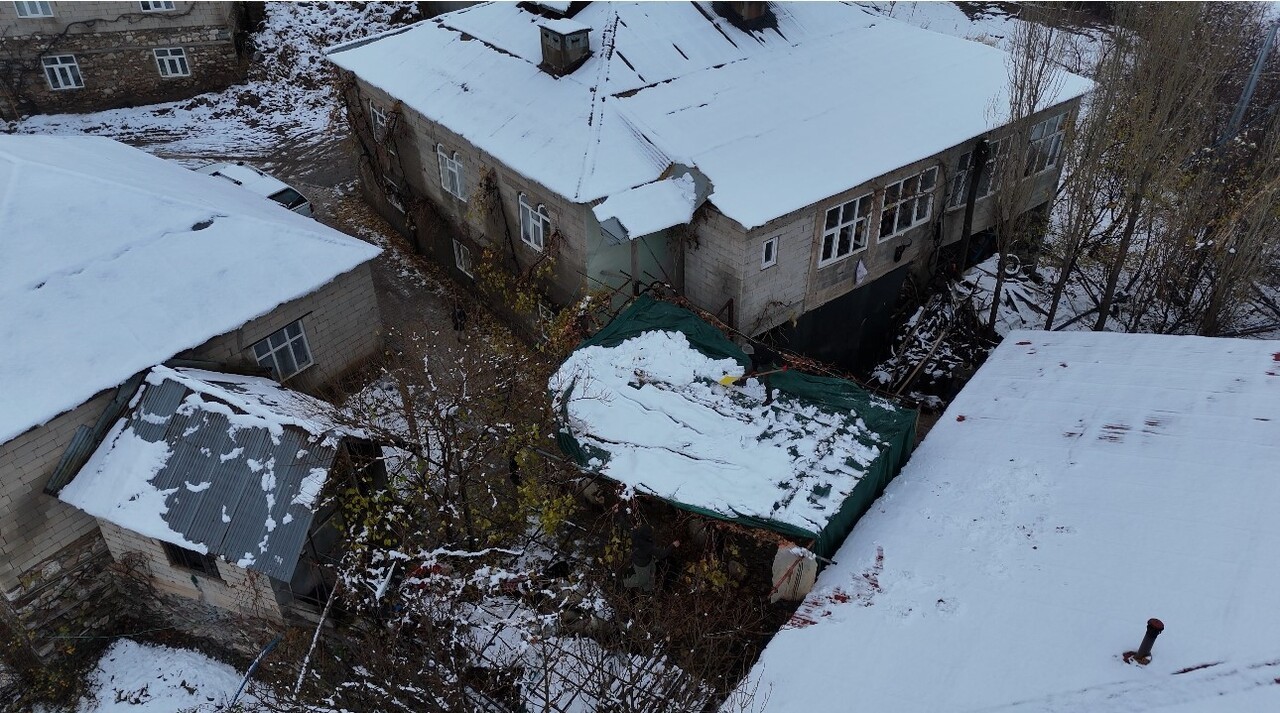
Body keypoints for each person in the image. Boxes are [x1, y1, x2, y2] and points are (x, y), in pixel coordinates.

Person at [623, 524, 678, 593]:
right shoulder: (647, 546)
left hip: (647, 559)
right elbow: (661, 555)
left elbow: (628, 526)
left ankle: (649, 589)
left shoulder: (635, 534)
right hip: (641, 565)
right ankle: (624, 583)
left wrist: (634, 528)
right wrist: (673, 545)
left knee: (652, 572)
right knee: (642, 581)